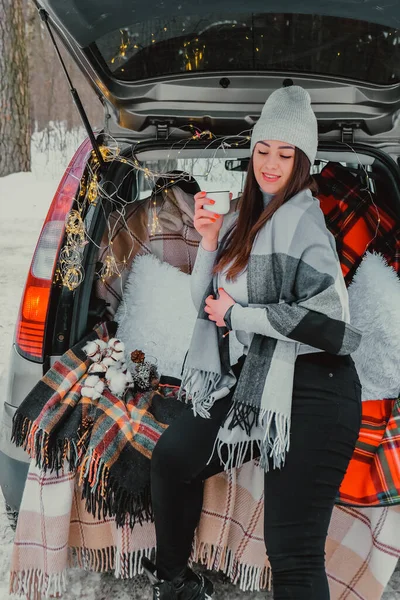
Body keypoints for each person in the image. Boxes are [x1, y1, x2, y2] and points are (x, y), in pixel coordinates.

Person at [142, 85, 362, 600]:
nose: (270, 163)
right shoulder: (246, 213)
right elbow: (206, 302)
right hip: (260, 373)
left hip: (317, 383)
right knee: (172, 459)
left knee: (291, 550)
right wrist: (211, 240)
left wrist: (242, 314)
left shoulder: (304, 222)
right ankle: (175, 583)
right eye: (263, 150)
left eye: (285, 155)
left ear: (301, 162)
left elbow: (331, 318)